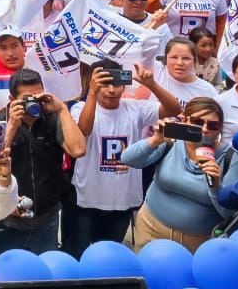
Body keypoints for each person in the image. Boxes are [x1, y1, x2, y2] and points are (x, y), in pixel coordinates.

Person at [65, 62, 174, 257]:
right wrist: (91, 93)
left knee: (108, 257)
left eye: (116, 84)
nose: (111, 90)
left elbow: (173, 109)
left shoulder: (135, 108)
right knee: (77, 254)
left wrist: (152, 85)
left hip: (122, 201)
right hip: (86, 199)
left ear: (124, 85)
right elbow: (84, 130)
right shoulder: (80, 107)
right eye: (105, 84)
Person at [120, 99, 238, 250]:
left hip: (198, 242)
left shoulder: (230, 159)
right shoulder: (171, 142)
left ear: (220, 129)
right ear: (184, 120)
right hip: (151, 230)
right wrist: (155, 139)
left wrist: (216, 187)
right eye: (197, 122)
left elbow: (233, 212)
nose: (205, 129)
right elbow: (128, 159)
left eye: (213, 125)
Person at [0, 69, 86, 254]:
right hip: (8, 219)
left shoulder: (53, 117)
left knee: (43, 278)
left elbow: (78, 149)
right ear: (11, 99)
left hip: (46, 218)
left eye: (38, 96)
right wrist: (12, 127)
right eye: (27, 98)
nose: (34, 103)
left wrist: (62, 109)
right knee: (7, 278)